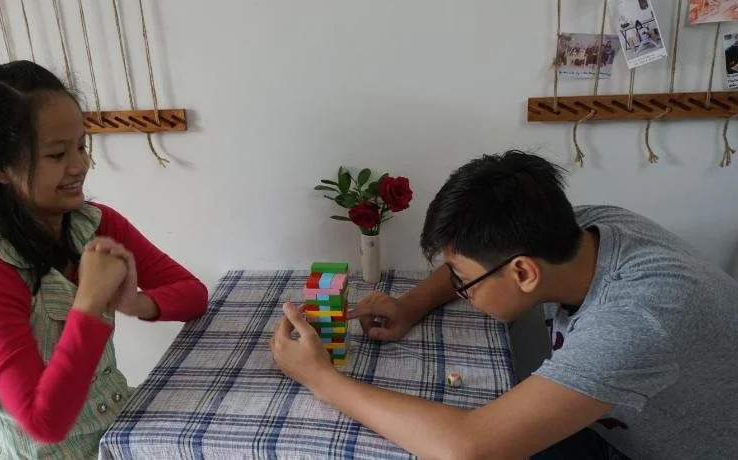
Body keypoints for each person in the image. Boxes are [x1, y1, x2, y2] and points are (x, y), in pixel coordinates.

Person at [270, 150, 738, 459]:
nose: (460, 288)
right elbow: (483, 258)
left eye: (464, 281)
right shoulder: (586, 228)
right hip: (609, 427)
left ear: (524, 273)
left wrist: (320, 378)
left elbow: (468, 449)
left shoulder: (638, 319)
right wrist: (412, 304)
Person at [0, 61, 208, 458]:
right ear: (1, 169)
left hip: (116, 432)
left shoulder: (96, 224)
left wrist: (135, 302)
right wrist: (88, 303)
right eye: (57, 154)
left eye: (82, 146)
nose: (80, 165)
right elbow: (44, 423)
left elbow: (194, 294)